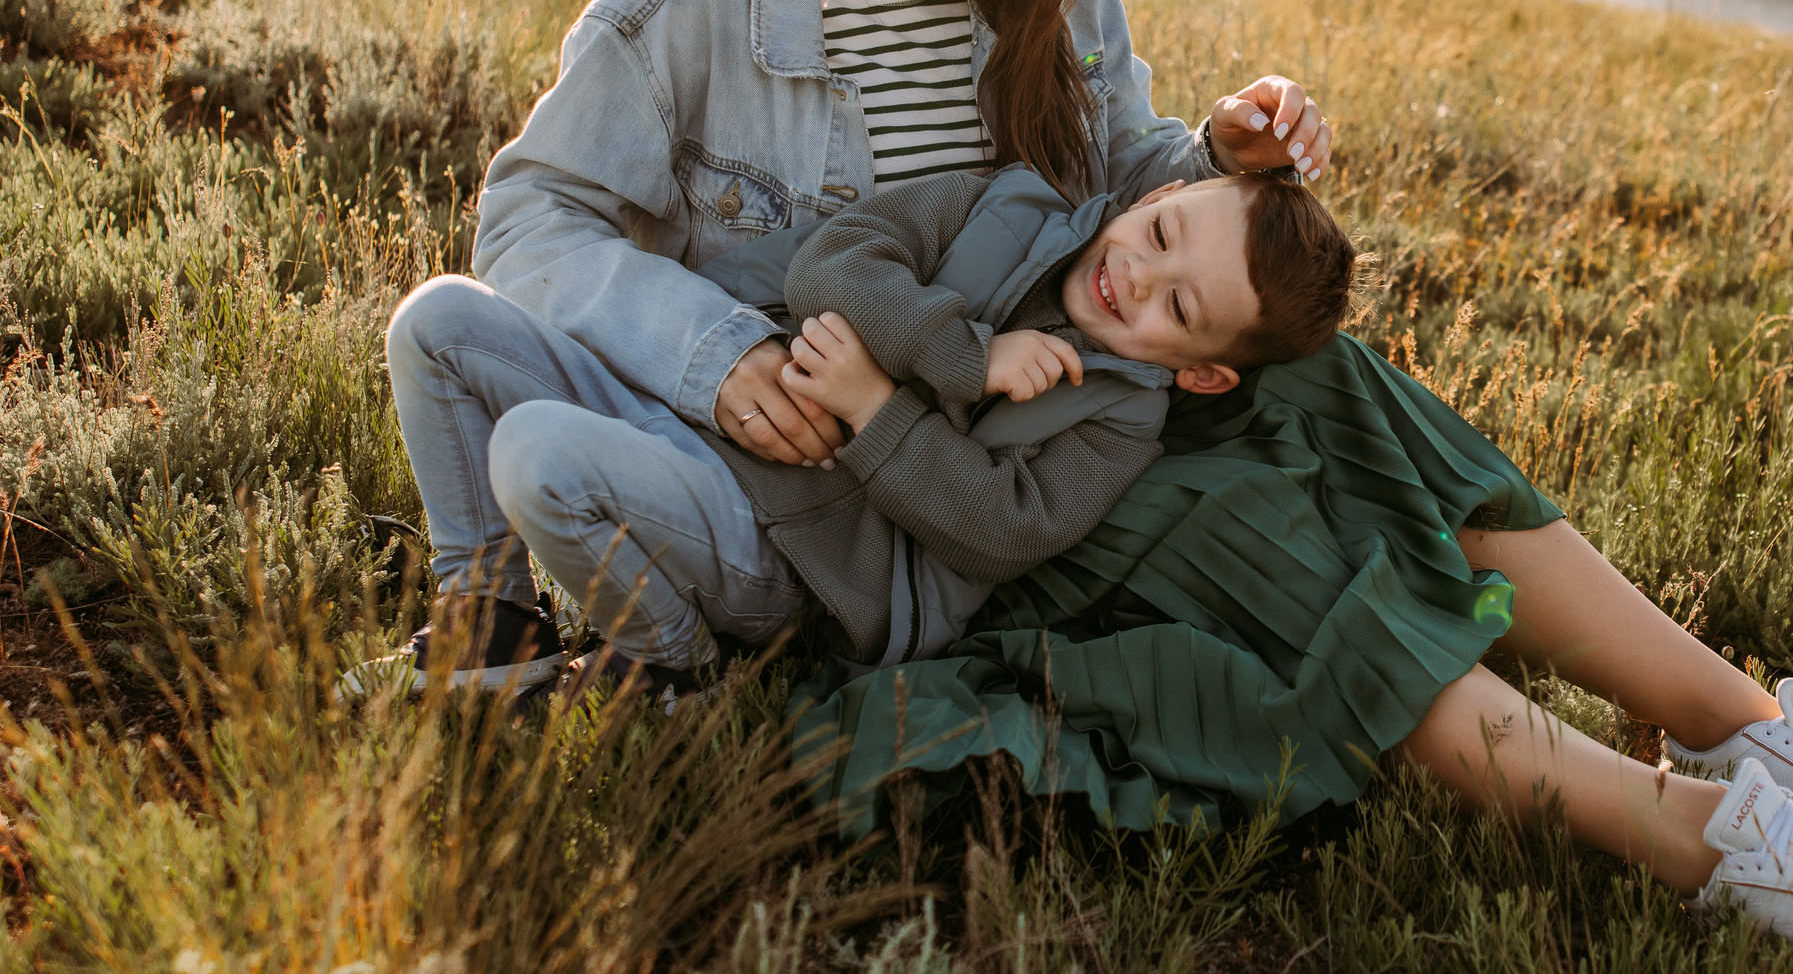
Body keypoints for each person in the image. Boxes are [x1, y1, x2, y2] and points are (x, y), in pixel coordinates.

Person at [399, 0, 1793, 972]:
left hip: (1071, 390)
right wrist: (720, 348)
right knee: (1255, 537)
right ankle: (1699, 832)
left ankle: (1738, 733)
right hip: (873, 476)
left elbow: (1124, 180)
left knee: (1331, 379)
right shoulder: (695, 3)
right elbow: (532, 214)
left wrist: (1226, 152)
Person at [350, 163, 1355, 703]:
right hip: (698, 421)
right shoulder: (1004, 200)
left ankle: (669, 666)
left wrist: (878, 406)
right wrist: (963, 354)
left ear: (1203, 372)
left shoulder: (1120, 418)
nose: (1137, 277)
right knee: (439, 321)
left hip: (792, 549)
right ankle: (494, 622)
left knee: (537, 455)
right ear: (1161, 193)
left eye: (1178, 311)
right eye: (1162, 237)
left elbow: (999, 531)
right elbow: (832, 265)